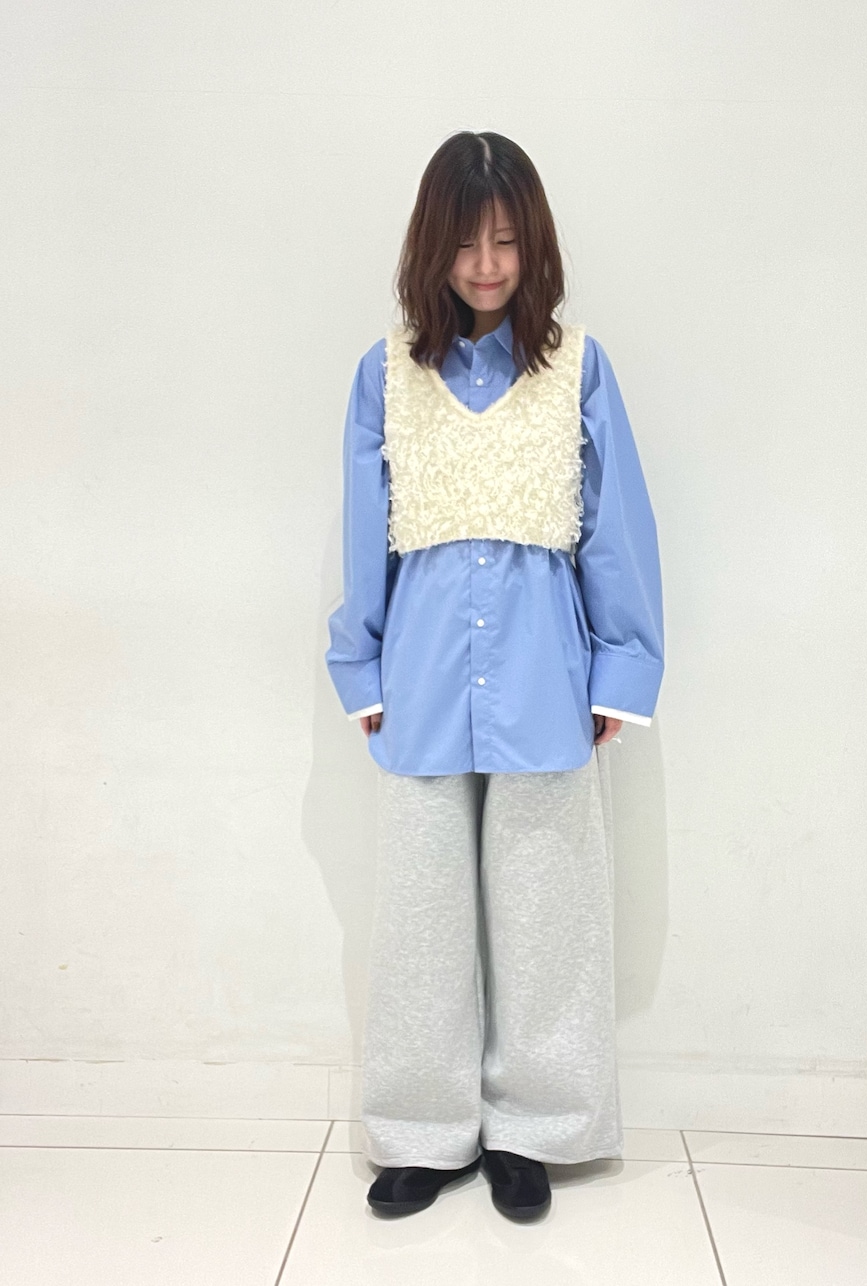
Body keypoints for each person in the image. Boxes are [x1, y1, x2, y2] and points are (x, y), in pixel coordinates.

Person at [325, 130, 664, 1221]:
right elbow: (365, 531)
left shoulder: (577, 368)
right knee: (421, 915)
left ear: (534, 246)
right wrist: (361, 663)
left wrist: (620, 669)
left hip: (545, 677)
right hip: (422, 679)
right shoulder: (387, 374)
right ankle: (424, 1128)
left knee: (547, 911)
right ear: (431, 246)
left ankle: (537, 1126)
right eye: (466, 243)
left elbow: (614, 526)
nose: (485, 265)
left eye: (507, 241)